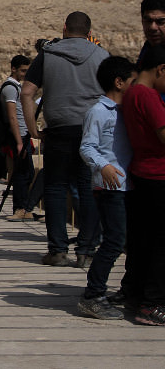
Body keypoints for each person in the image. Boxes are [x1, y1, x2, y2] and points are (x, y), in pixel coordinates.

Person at [22, 11, 108, 267]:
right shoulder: (102, 56)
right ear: (89, 32)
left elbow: (27, 93)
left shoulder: (48, 54)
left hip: (58, 129)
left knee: (56, 187)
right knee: (88, 188)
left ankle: (58, 250)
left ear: (64, 28)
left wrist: (33, 129)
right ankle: (87, 249)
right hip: (92, 130)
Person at [76, 56, 137, 320]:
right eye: (133, 81)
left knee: (125, 240)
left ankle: (125, 289)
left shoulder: (127, 111)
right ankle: (93, 294)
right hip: (110, 184)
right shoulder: (99, 111)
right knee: (113, 242)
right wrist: (104, 166)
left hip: (127, 185)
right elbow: (87, 146)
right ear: (119, 82)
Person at [120, 45, 165, 325]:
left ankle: (136, 294)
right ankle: (154, 304)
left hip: (143, 173)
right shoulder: (148, 96)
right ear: (161, 69)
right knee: (161, 245)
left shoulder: (132, 93)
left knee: (144, 241)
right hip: (159, 174)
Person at [0, 55, 37, 221]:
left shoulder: (18, 87)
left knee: (27, 172)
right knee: (21, 173)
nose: (24, 74)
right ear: (13, 69)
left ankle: (25, 207)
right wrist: (20, 142)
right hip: (18, 136)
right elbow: (13, 116)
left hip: (23, 134)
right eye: (22, 70)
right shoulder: (10, 88)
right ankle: (19, 208)